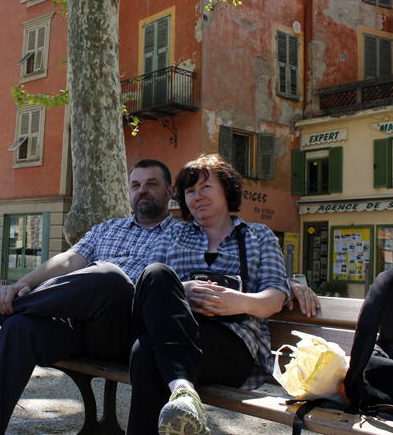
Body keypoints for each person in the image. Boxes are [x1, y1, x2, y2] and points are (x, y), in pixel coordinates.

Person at [0, 159, 177, 435]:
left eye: (152, 184)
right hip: (80, 328)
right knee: (18, 328)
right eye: (136, 185)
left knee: (111, 277)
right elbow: (67, 261)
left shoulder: (183, 236)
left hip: (128, 334)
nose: (142, 191)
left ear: (169, 192)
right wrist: (22, 284)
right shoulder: (108, 228)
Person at [129, 154, 319, 435]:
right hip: (182, 330)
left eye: (206, 187)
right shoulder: (172, 236)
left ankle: (182, 391)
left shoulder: (258, 235)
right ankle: (182, 393)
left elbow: (275, 296)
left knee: (148, 352)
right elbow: (146, 288)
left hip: (233, 343)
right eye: (190, 191)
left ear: (226, 191)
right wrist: (181, 291)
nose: (197, 197)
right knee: (154, 287)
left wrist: (235, 302)